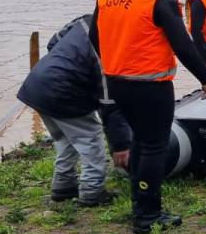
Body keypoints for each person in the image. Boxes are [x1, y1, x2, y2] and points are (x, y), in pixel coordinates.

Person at [91, 0, 206, 234]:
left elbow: (94, 37)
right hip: (151, 85)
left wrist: (115, 61)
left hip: (117, 83)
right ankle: (147, 216)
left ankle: (140, 204)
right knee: (153, 147)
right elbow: (183, 45)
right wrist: (205, 78)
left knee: (138, 142)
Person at [17, 14, 133, 206]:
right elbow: (108, 101)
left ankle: (64, 186)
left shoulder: (85, 20)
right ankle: (92, 191)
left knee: (65, 140)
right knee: (90, 139)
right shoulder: (109, 47)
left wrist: (69, 64)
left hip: (37, 84)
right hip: (63, 91)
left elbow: (54, 42)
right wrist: (120, 144)